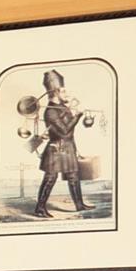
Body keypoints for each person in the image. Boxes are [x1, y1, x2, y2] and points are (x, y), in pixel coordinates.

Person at [31, 68, 91, 218]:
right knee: (50, 178)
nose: (66, 94)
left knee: (73, 176)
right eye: (63, 91)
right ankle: (39, 208)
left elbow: (69, 133)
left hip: (68, 147)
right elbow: (64, 131)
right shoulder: (50, 111)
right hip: (56, 149)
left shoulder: (62, 107)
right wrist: (77, 116)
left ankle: (79, 205)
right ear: (55, 92)